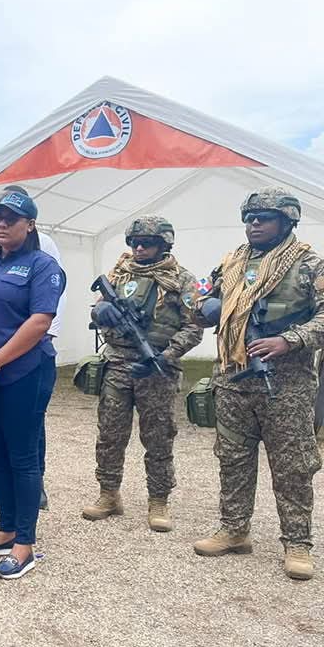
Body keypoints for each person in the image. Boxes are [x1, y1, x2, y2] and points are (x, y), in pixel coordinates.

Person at [193, 187, 324, 581]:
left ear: (287, 222)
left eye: (263, 218)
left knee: (292, 466)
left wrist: (290, 340)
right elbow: (200, 300)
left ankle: (297, 542)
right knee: (232, 458)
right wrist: (202, 308)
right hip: (234, 377)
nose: (254, 224)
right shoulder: (231, 263)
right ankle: (234, 530)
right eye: (250, 217)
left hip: (287, 383)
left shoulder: (308, 265)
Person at [0, 189, 65, 579]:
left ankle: (25, 543)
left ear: (30, 224)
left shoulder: (43, 266)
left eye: (11, 218)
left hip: (23, 373)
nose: (1, 224)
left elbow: (39, 322)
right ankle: (4, 530)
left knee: (22, 456)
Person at [83, 216, 202, 531]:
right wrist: (101, 312)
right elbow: (98, 309)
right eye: (133, 241)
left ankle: (158, 500)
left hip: (157, 368)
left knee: (158, 438)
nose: (138, 247)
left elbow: (194, 327)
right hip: (118, 366)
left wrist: (167, 354)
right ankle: (109, 494)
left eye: (146, 242)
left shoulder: (181, 280)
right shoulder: (118, 275)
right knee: (109, 435)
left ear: (164, 244)